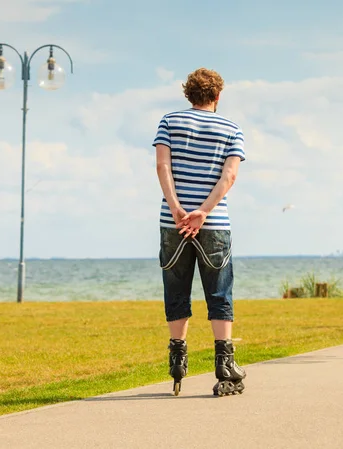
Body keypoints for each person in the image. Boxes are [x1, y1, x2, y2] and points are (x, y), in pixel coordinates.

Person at [153, 68, 247, 396]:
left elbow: (163, 166)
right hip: (214, 224)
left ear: (187, 94)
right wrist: (203, 212)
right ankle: (225, 363)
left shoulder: (168, 122)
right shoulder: (232, 129)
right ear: (218, 96)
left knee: (177, 291)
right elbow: (229, 177)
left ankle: (178, 359)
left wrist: (178, 208)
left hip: (173, 222)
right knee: (219, 293)